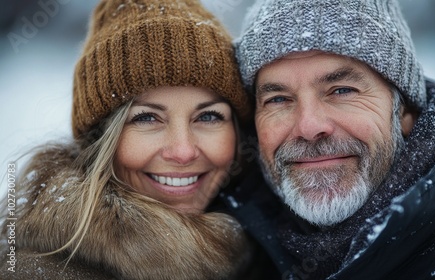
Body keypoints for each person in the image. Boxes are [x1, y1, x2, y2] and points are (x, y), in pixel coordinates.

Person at [0, 0, 276, 279]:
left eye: (208, 117)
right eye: (146, 118)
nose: (183, 152)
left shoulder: (271, 246)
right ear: (101, 140)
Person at [228, 0, 435, 279]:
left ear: (406, 111)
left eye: (342, 90)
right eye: (278, 99)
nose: (309, 127)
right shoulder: (232, 253)